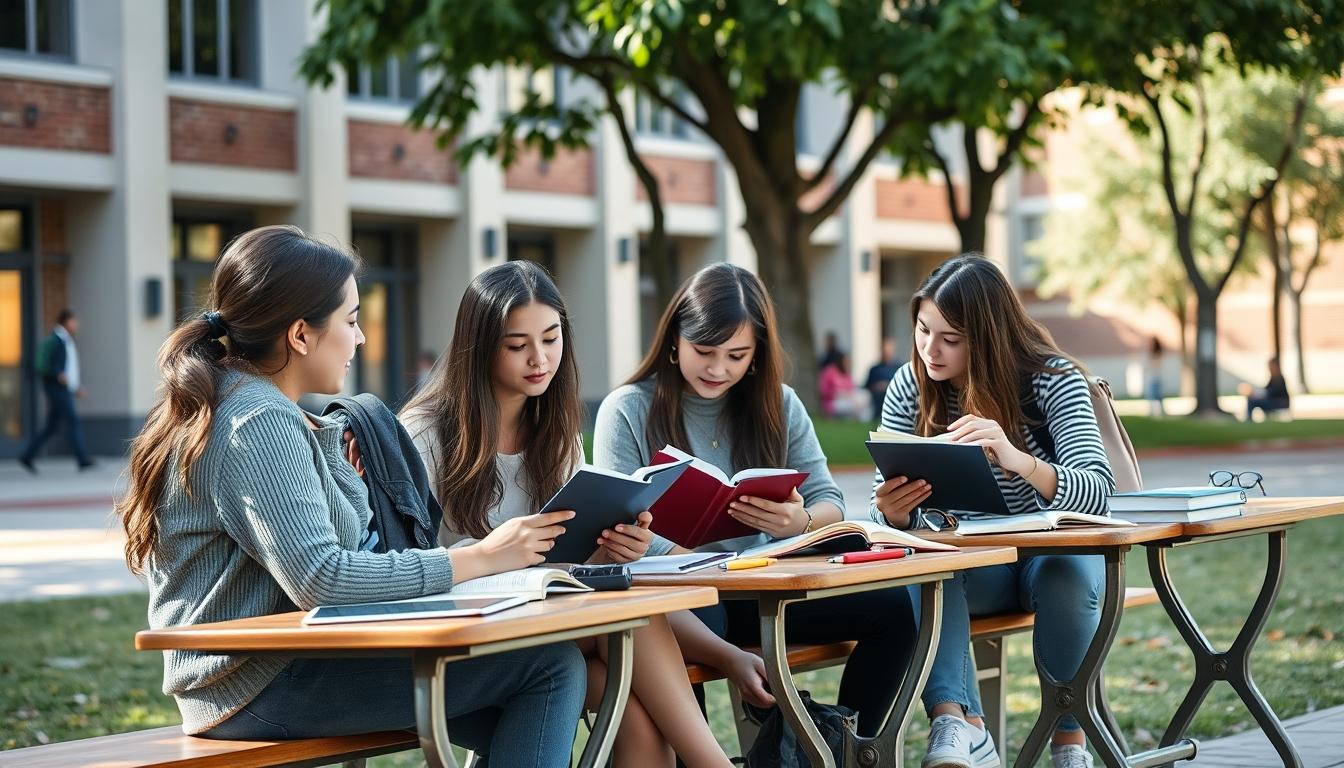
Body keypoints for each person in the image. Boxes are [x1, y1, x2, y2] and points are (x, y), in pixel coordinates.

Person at [114, 226, 585, 766]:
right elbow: (323, 577)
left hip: (277, 668)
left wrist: (334, 450)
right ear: (300, 335)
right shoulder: (256, 420)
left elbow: (350, 544)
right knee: (550, 666)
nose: (360, 338)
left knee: (525, 681)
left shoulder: (270, 410)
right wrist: (477, 559)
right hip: (256, 686)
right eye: (352, 320)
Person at [400, 260, 733, 768]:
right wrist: (499, 556)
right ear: (480, 346)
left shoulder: (554, 431)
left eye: (552, 338)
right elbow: (408, 565)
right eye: (517, 345)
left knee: (637, 719)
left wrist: (611, 546)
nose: (540, 358)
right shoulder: (425, 434)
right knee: (623, 622)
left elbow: (575, 565)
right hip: (469, 637)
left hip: (549, 629)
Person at [594, 262, 918, 741]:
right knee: (693, 622)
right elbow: (616, 523)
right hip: (678, 598)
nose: (718, 368)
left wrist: (798, 521)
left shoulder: (779, 404)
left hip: (759, 585)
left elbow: (829, 501)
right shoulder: (627, 409)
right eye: (703, 351)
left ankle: (841, 748)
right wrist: (685, 556)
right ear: (672, 341)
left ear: (757, 355)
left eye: (737, 355)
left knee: (894, 609)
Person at [870, 254, 1115, 768]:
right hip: (975, 565)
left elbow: (1098, 491)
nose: (930, 350)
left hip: (1056, 555)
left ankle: (1070, 748)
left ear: (988, 337)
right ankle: (959, 728)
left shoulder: (1052, 379)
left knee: (1064, 575)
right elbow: (888, 515)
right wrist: (894, 513)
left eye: (950, 339)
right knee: (929, 566)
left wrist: (1018, 459)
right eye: (922, 329)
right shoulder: (911, 387)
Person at [18, 308, 94, 472]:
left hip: (62, 388)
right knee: (73, 420)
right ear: (66, 322)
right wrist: (59, 375)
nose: (76, 325)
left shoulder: (65, 340)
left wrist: (75, 386)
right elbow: (54, 367)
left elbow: (68, 368)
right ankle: (82, 460)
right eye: (74, 321)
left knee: (52, 426)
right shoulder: (57, 341)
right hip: (57, 388)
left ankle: (27, 456)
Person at [1241, 357, 1290, 422]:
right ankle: (1249, 418)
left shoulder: (1280, 379)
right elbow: (1266, 390)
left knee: (1253, 401)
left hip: (1279, 403)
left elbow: (1272, 392)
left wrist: (1258, 395)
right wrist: (1255, 393)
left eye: (1271, 366)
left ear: (1276, 367)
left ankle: (1249, 420)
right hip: (1273, 401)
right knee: (1252, 399)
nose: (1270, 369)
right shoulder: (1272, 379)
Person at [864, 338, 902, 421]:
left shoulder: (899, 367)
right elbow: (867, 385)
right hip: (876, 396)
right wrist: (876, 386)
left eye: (888, 350)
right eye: (884, 350)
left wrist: (888, 385)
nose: (886, 353)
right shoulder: (874, 369)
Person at [818, 352, 859, 419]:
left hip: (847, 399)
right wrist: (836, 393)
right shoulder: (829, 372)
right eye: (845, 361)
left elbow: (851, 389)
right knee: (852, 405)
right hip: (832, 402)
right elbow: (823, 390)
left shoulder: (846, 374)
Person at [1146, 337, 1164, 418]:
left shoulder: (1157, 354)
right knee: (1153, 395)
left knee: (1156, 395)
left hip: (1156, 377)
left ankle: (1159, 411)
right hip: (1152, 377)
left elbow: (1156, 365)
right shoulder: (1152, 353)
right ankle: (1152, 411)